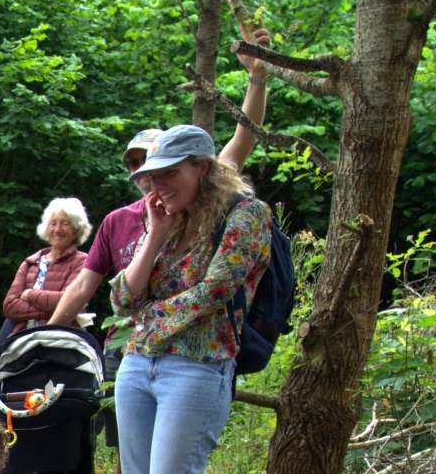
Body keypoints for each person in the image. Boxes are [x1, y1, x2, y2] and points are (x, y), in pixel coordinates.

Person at [110, 125, 273, 474]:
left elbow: (219, 287)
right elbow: (121, 297)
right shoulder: (160, 220)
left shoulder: (246, 213)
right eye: (151, 177)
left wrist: (152, 317)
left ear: (202, 166)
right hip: (138, 368)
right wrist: (155, 234)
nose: (158, 185)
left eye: (169, 173)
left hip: (199, 366)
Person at [46, 21, 274, 333]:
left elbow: (244, 136)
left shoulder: (203, 199)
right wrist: (44, 335)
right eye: (135, 164)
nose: (146, 172)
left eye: (155, 162)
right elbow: (85, 285)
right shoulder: (117, 221)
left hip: (189, 349)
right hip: (128, 343)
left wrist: (257, 78)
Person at [0, 198, 92, 336]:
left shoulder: (83, 262)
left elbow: (70, 301)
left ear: (76, 230)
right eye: (53, 223)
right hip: (23, 339)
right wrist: (56, 308)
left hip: (62, 340)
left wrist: (30, 294)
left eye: (65, 223)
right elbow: (10, 306)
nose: (57, 229)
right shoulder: (31, 262)